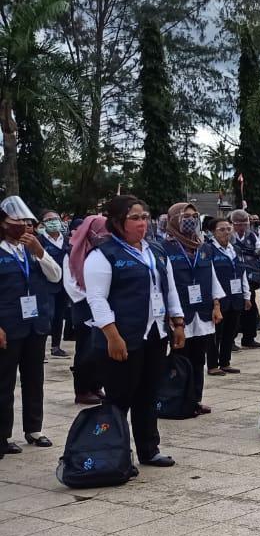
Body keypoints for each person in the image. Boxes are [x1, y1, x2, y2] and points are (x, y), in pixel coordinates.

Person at [85, 195, 184, 468]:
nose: (142, 223)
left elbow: (169, 289)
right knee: (119, 398)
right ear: (118, 222)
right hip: (121, 336)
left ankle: (149, 449)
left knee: (148, 394)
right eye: (135, 218)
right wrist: (112, 335)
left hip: (154, 333)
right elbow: (97, 299)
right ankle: (113, 454)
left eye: (144, 217)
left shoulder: (156, 251)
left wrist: (177, 323)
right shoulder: (103, 254)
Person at [0, 196, 63, 453]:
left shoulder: (32, 248)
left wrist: (40, 251)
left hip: (35, 324)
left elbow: (56, 276)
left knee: (34, 378)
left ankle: (34, 428)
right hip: (8, 325)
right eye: (16, 220)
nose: (23, 224)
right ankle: (3, 435)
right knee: (4, 381)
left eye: (26, 220)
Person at [162, 203, 224, 417]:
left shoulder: (203, 247)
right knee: (180, 358)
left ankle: (195, 399)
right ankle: (178, 399)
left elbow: (212, 277)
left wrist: (217, 305)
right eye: (185, 216)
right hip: (181, 313)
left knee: (199, 358)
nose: (191, 220)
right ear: (174, 219)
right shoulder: (165, 248)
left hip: (203, 311)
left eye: (194, 216)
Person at [63, 215, 108, 405]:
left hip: (101, 306)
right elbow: (71, 285)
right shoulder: (72, 252)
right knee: (85, 349)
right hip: (83, 306)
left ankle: (96, 385)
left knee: (99, 348)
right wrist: (93, 295)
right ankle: (82, 390)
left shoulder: (102, 252)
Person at [206, 217, 249, 376]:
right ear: (213, 232)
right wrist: (214, 299)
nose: (226, 232)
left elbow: (242, 273)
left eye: (228, 229)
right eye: (222, 229)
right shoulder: (209, 250)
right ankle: (212, 364)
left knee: (230, 331)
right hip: (219, 298)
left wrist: (246, 295)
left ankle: (225, 362)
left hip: (235, 297)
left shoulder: (235, 249)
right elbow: (209, 276)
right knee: (215, 333)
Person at [231, 210, 260, 349]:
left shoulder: (251, 235)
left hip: (250, 276)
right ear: (233, 224)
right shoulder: (229, 236)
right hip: (234, 277)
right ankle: (230, 340)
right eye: (239, 224)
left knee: (250, 306)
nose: (242, 227)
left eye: (245, 224)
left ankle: (249, 338)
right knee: (234, 309)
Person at [38, 210, 71, 358]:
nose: (53, 222)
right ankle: (39, 348)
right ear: (43, 224)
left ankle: (56, 346)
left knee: (59, 316)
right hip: (46, 284)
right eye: (49, 220)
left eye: (55, 219)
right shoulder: (39, 241)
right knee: (48, 315)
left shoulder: (67, 240)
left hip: (64, 284)